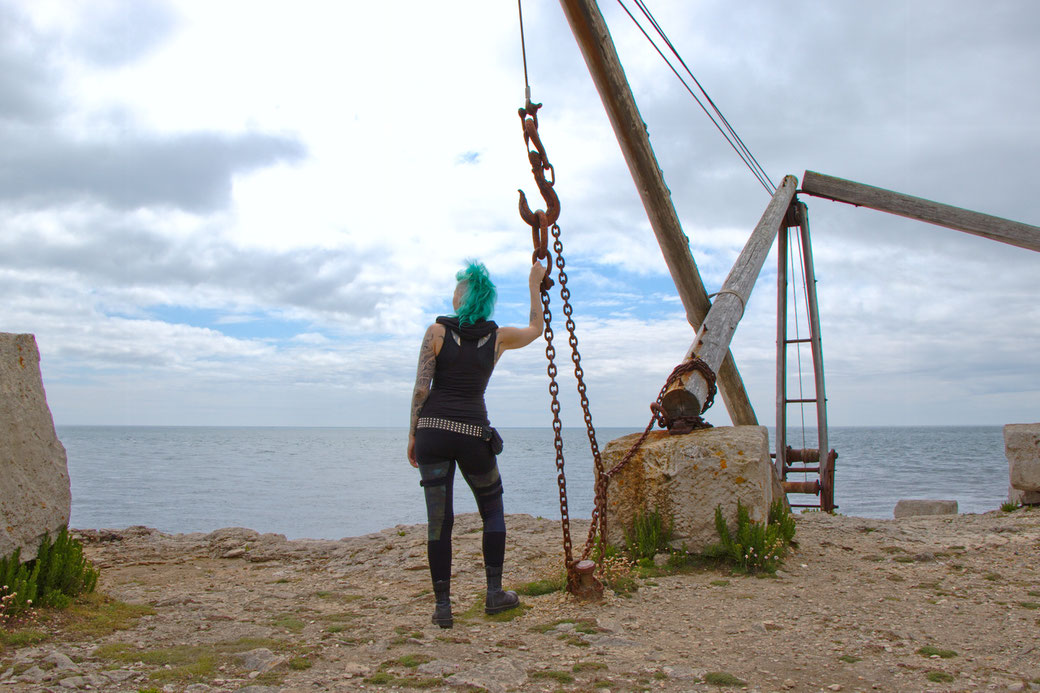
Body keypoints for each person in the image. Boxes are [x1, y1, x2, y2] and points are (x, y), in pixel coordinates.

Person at [407, 259, 546, 628]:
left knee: (439, 521)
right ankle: (494, 594)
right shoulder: (497, 338)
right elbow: (536, 328)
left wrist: (413, 434)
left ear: (464, 296)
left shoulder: (436, 332)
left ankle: (443, 608)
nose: (453, 294)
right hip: (473, 435)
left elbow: (423, 387)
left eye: (458, 288)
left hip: (432, 432)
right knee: (493, 511)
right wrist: (534, 283)